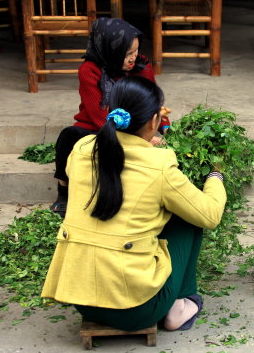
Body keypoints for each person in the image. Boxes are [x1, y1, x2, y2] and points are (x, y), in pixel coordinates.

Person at [41, 76, 226, 332]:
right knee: (189, 217)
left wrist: (140, 142)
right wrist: (216, 176)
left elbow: (112, 165)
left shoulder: (81, 149)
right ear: (154, 122)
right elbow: (211, 215)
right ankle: (178, 307)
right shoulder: (159, 165)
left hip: (79, 296)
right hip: (137, 309)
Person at [51, 17, 170, 217]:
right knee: (68, 137)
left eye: (136, 51)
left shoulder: (141, 66)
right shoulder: (89, 70)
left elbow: (152, 100)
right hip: (99, 126)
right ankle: (63, 190)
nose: (133, 58)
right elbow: (99, 117)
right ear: (110, 51)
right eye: (127, 54)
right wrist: (139, 140)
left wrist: (164, 126)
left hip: (137, 125)